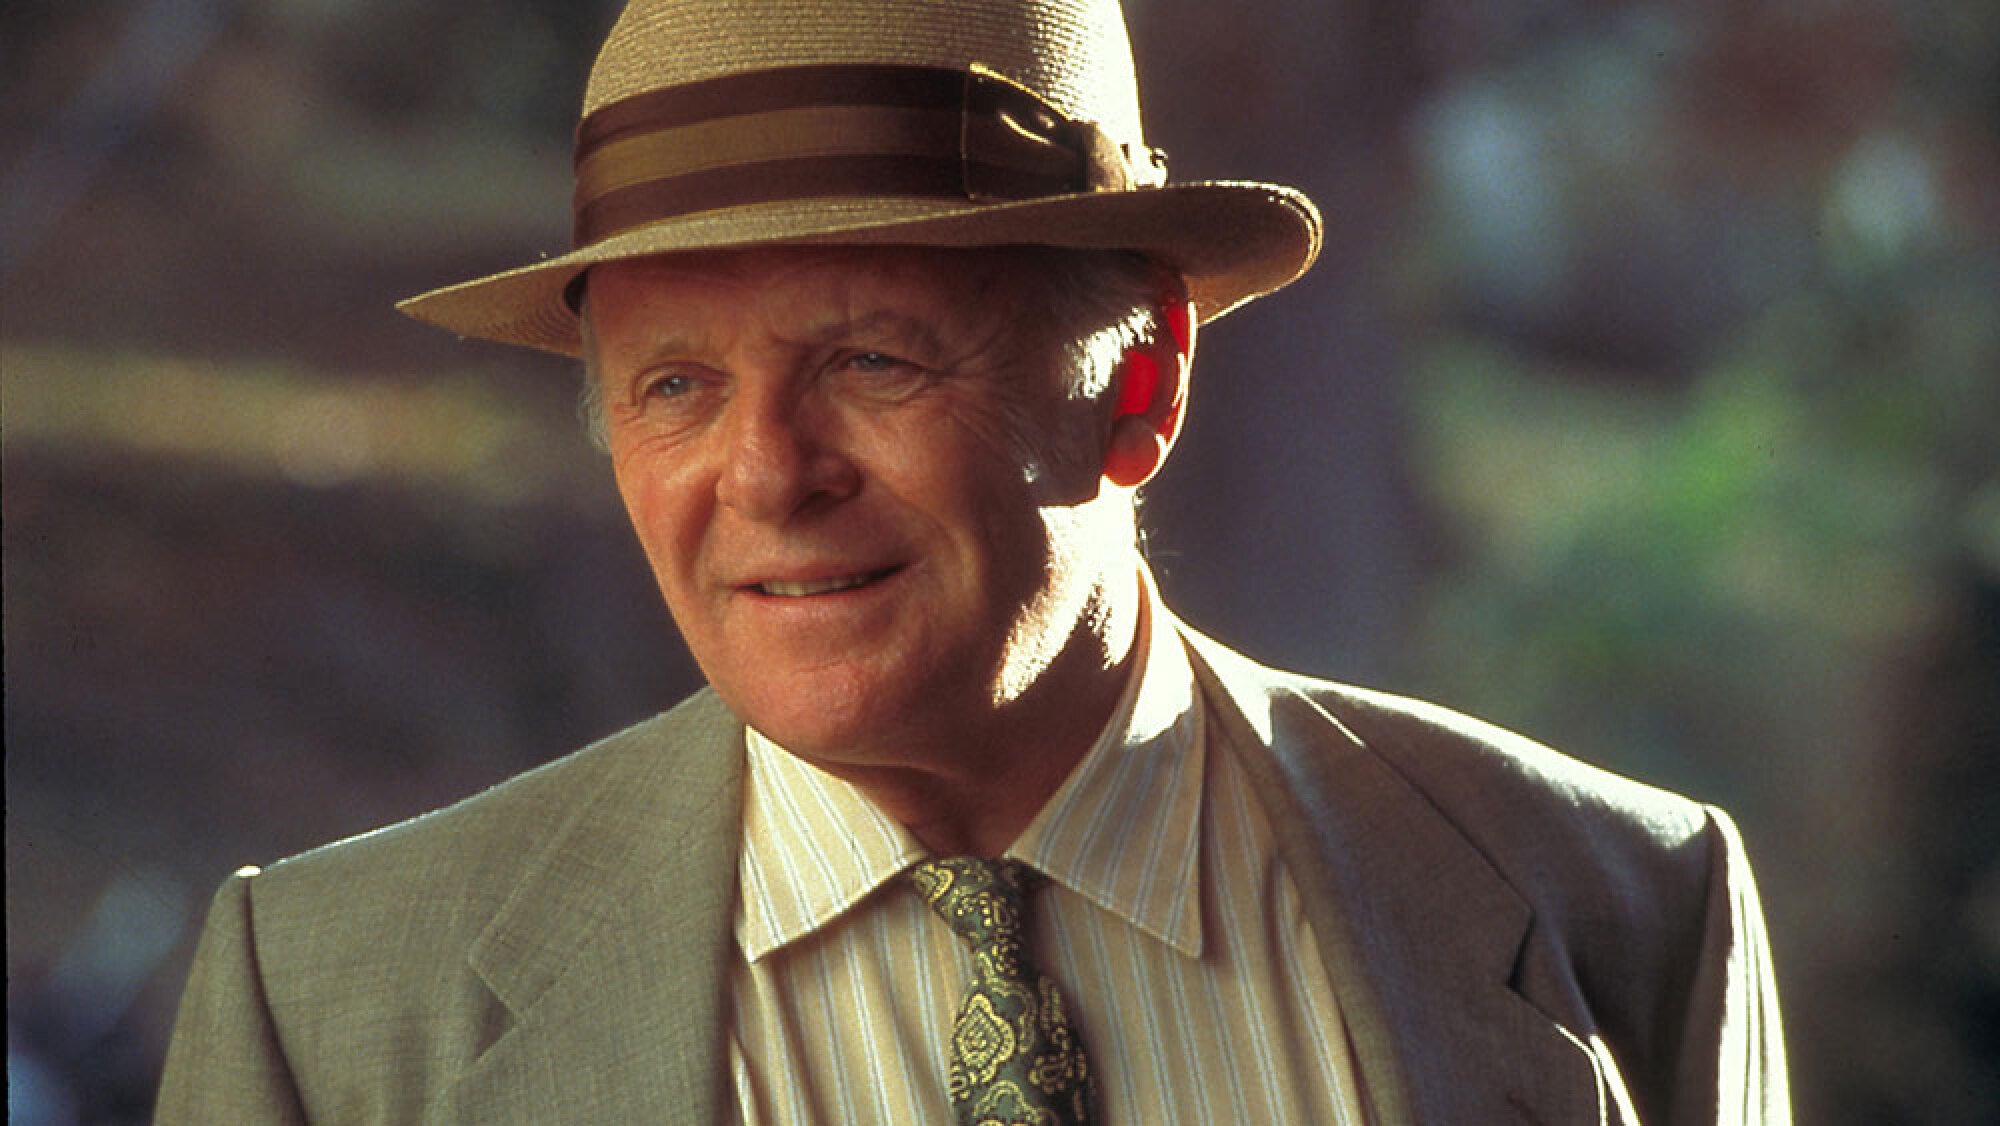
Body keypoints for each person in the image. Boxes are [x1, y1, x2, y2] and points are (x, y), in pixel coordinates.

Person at [155, 0, 1788, 1122]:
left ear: (1139, 384)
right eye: (677, 385)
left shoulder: (1620, 908)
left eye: (872, 359)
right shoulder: (332, 1009)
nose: (769, 474)